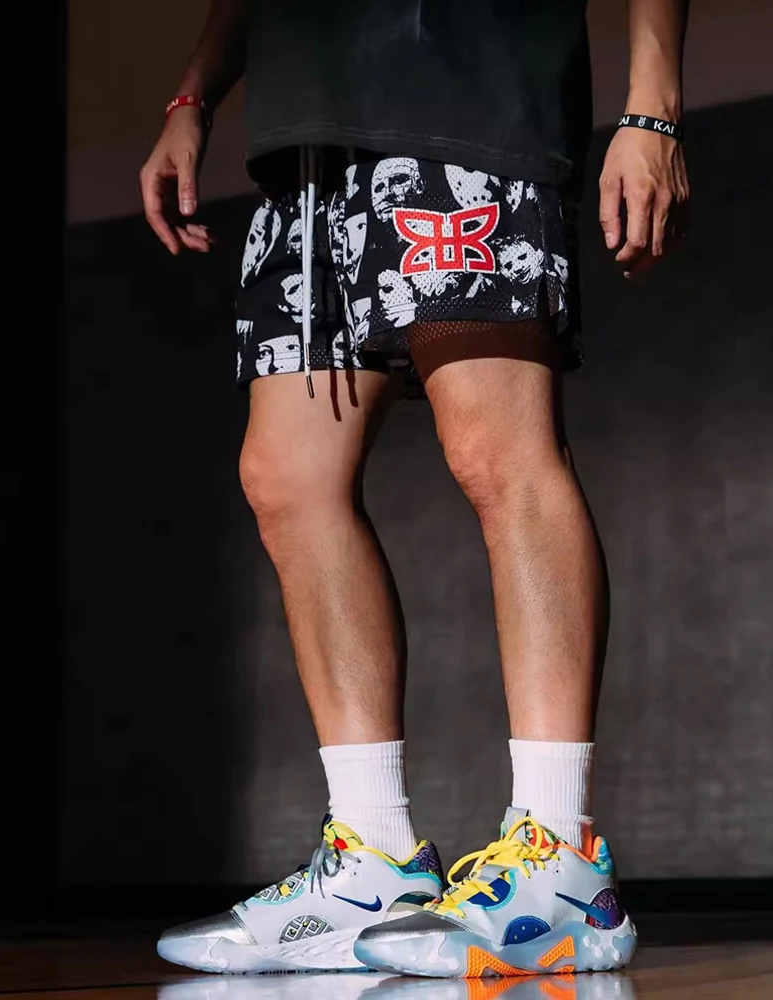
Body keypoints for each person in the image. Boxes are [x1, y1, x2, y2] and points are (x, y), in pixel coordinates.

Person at [143, 0, 689, 978]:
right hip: (308, 148)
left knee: (497, 451)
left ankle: (561, 857)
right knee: (286, 477)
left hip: (464, 105)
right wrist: (193, 97)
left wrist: (652, 108)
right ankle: (372, 859)